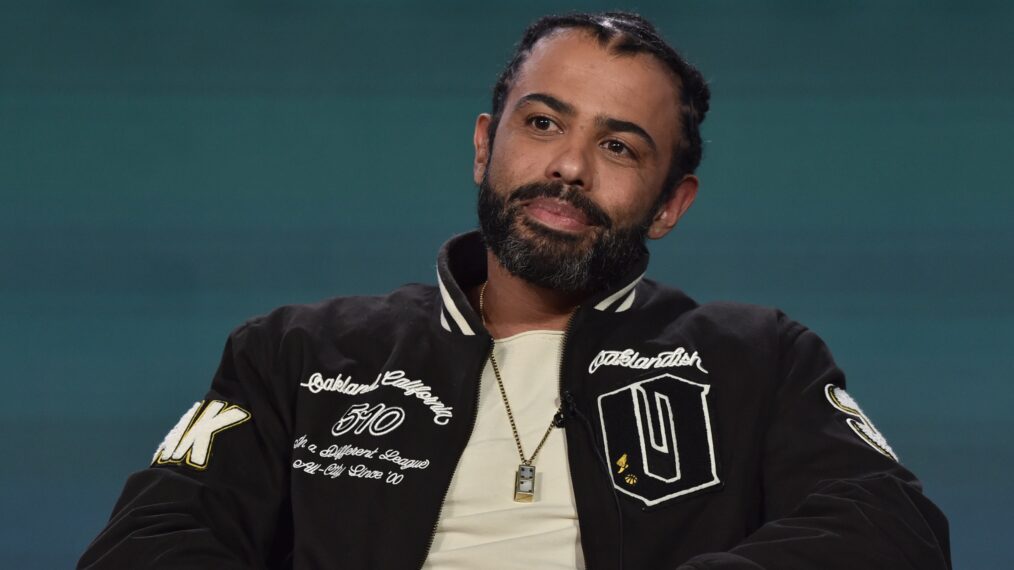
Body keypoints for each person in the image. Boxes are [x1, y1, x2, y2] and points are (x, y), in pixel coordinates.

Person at [79, 11, 951, 570]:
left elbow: (891, 529)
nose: (567, 167)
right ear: (485, 146)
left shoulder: (758, 358)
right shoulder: (296, 354)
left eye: (619, 148)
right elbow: (149, 540)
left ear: (671, 203)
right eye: (543, 125)